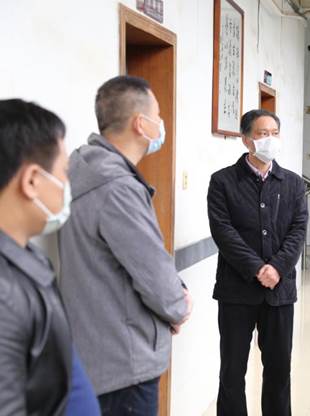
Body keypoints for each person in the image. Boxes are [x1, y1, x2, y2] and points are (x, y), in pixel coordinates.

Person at [58, 75, 192, 416]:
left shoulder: (84, 170)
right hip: (125, 364)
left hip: (94, 350)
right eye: (158, 116)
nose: (161, 125)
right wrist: (178, 305)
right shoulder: (118, 186)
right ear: (140, 123)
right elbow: (152, 270)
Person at [0, 99, 99, 415]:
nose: (67, 186)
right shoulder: (4, 296)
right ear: (31, 181)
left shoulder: (28, 258)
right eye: (64, 173)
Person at [207, 109, 308, 416]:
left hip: (279, 292)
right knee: (232, 370)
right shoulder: (223, 181)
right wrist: (256, 268)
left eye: (275, 133)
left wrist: (277, 268)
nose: (270, 140)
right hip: (236, 291)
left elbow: (298, 230)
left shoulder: (293, 184)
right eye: (263, 134)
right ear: (246, 139)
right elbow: (223, 231)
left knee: (279, 370)